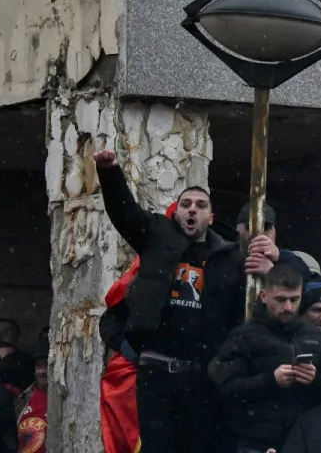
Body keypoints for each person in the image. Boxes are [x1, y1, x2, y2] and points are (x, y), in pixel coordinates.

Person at [94, 147, 244, 453]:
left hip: (202, 376)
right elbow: (124, 212)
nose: (192, 210)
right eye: (186, 204)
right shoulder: (157, 235)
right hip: (157, 374)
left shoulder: (229, 258)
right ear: (176, 212)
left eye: (200, 205)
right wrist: (109, 173)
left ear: (210, 217)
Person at [208, 264, 321, 453]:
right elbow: (226, 390)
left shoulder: (318, 338)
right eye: (281, 299)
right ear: (264, 297)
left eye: (294, 299)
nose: (288, 307)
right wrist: (271, 380)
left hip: (303, 441)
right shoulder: (244, 337)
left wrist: (314, 380)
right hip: (254, 441)